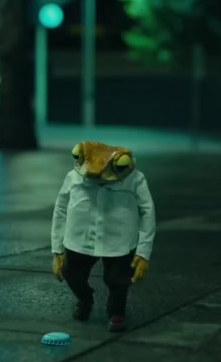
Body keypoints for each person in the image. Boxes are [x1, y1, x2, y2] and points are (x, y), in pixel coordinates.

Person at [50, 140, 156, 332]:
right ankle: (85, 299)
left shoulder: (134, 178)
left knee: (118, 280)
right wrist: (57, 249)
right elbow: (61, 207)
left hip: (119, 240)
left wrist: (143, 252)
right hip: (79, 239)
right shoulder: (74, 176)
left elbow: (147, 211)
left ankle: (117, 312)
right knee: (71, 273)